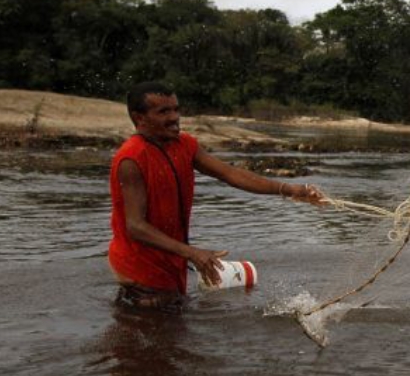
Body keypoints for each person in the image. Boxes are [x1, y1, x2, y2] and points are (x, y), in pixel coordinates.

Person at [109, 81, 324, 310]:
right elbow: (135, 226)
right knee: (155, 335)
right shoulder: (131, 159)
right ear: (139, 118)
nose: (174, 117)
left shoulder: (184, 144)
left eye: (176, 109)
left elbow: (230, 174)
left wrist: (289, 190)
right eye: (163, 111)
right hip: (140, 269)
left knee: (171, 333)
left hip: (171, 261)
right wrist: (193, 253)